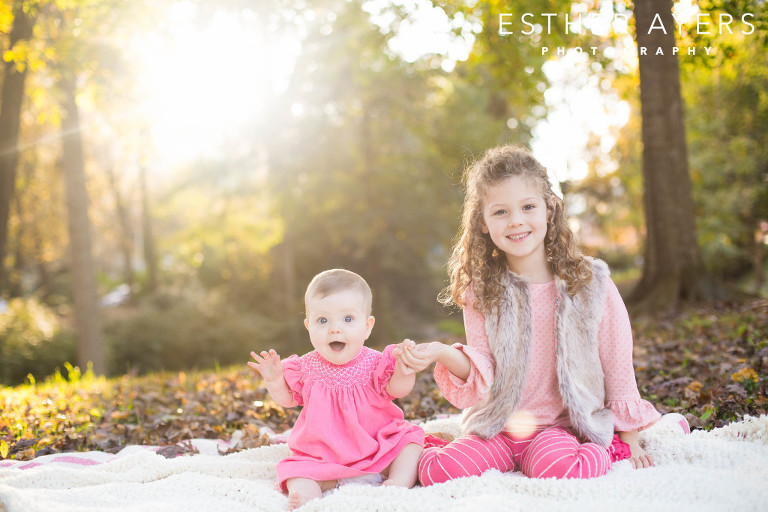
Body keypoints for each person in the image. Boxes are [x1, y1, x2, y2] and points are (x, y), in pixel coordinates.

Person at [394, 145, 688, 485]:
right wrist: (442, 353)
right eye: (500, 212)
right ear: (483, 223)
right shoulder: (482, 290)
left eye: (528, 207)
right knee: (439, 471)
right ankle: (429, 447)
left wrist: (629, 438)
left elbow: (617, 361)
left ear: (549, 211)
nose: (516, 220)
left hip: (561, 428)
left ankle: (609, 448)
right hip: (499, 427)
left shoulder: (591, 283)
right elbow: (483, 371)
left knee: (557, 469)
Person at [248, 269, 424, 509]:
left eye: (348, 319)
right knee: (297, 472)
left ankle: (399, 481)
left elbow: (397, 390)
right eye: (323, 320)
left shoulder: (376, 363)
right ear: (308, 326)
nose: (334, 329)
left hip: (377, 449)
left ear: (367, 326)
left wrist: (404, 371)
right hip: (323, 457)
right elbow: (288, 400)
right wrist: (274, 380)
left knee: (410, 442)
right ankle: (308, 497)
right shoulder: (304, 367)